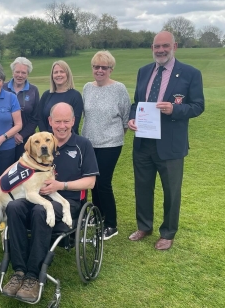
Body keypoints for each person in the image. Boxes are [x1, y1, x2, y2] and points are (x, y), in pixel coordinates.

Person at [0, 102, 99, 303]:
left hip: (68, 200)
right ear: (50, 122)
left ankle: (33, 276)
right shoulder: (40, 142)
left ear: (73, 121)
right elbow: (18, 165)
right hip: (35, 195)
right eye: (58, 121)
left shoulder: (82, 144)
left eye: (66, 121)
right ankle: (19, 271)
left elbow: (90, 182)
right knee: (13, 207)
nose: (62, 125)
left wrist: (61, 185)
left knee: (40, 211)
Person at [127, 31, 205, 250]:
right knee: (142, 187)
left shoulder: (190, 73)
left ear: (174, 46)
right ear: (152, 48)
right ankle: (144, 226)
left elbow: (198, 106)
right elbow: (137, 102)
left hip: (170, 144)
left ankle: (168, 232)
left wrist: (174, 109)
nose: (160, 50)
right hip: (143, 142)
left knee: (171, 190)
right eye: (156, 46)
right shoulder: (144, 72)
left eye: (165, 46)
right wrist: (132, 118)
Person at [81, 51, 131, 240]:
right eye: (96, 67)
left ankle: (111, 224)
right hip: (89, 143)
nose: (100, 70)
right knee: (92, 182)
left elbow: (126, 118)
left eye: (104, 67)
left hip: (111, 144)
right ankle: (98, 214)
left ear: (111, 69)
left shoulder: (119, 88)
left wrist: (113, 136)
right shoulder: (87, 87)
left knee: (103, 183)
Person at [3, 57, 40, 162]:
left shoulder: (33, 90)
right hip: (5, 138)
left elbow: (35, 117)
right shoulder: (3, 88)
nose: (20, 75)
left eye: (23, 73)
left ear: (28, 74)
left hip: (26, 140)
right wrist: (12, 133)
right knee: (6, 172)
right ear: (12, 72)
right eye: (17, 72)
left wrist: (21, 135)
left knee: (24, 171)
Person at [37, 60, 83, 135]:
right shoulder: (46, 95)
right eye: (55, 72)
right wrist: (48, 137)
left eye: (62, 72)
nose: (58, 75)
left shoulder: (75, 96)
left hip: (69, 141)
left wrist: (60, 138)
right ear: (52, 76)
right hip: (49, 142)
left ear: (67, 74)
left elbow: (74, 124)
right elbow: (40, 118)